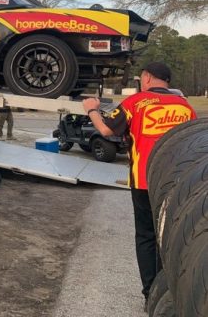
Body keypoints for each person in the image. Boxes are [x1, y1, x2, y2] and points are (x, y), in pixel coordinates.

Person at [82, 62, 196, 310]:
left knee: (146, 236)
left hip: (145, 181)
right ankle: (173, 293)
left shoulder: (136, 103)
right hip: (179, 184)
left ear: (147, 78)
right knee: (172, 236)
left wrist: (91, 109)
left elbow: (105, 130)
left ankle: (151, 296)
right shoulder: (185, 106)